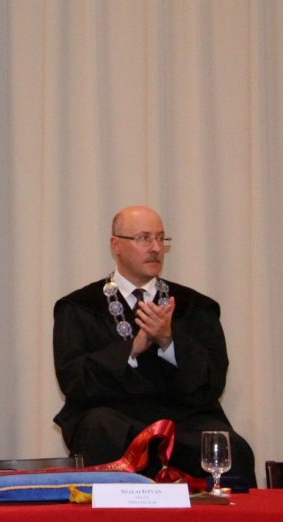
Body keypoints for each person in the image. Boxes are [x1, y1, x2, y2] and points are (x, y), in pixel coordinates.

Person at [53, 205, 256, 486]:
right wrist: (132, 349)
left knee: (234, 448)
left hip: (183, 421)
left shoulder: (195, 306)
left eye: (161, 238)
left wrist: (169, 341)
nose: (156, 248)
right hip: (115, 420)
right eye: (144, 238)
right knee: (99, 427)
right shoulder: (78, 307)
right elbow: (73, 380)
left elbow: (213, 381)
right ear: (116, 245)